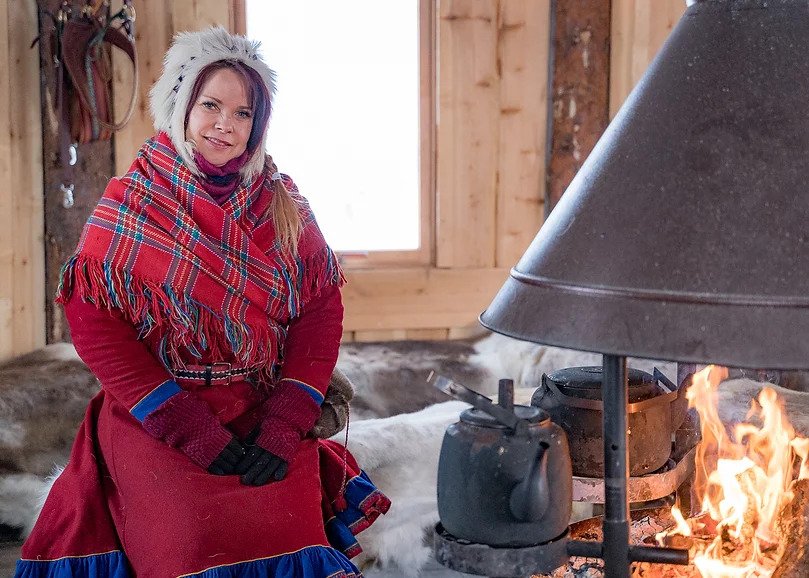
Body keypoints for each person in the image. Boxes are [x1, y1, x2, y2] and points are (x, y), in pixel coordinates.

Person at [15, 27, 389, 577]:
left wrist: (287, 420)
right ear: (181, 108)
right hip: (160, 412)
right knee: (190, 539)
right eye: (210, 105)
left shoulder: (283, 204)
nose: (224, 125)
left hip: (261, 407)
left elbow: (319, 311)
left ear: (258, 125)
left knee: (286, 529)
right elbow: (95, 324)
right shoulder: (132, 204)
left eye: (243, 113)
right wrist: (186, 426)